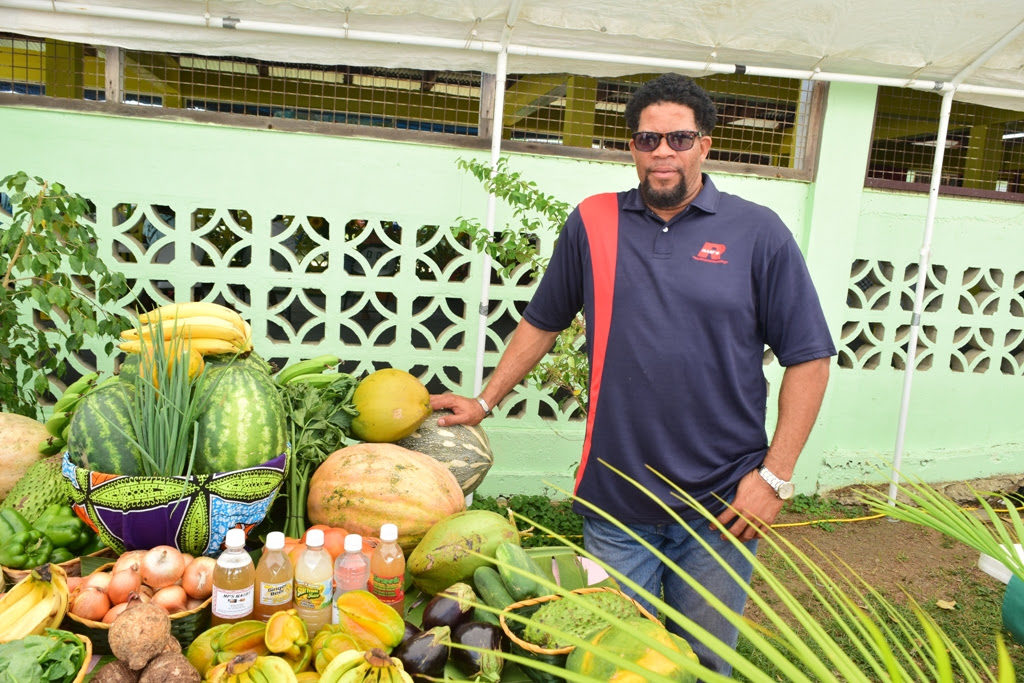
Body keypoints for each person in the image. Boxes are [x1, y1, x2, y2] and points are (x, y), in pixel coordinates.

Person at [430, 73, 835, 675]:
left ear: (704, 145)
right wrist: (485, 401)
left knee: (705, 660)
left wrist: (774, 479)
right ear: (632, 147)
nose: (663, 151)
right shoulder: (593, 221)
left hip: (723, 502)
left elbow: (809, 357)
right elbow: (543, 321)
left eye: (679, 138)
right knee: (612, 660)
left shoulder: (758, 233)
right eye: (649, 139)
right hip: (616, 497)